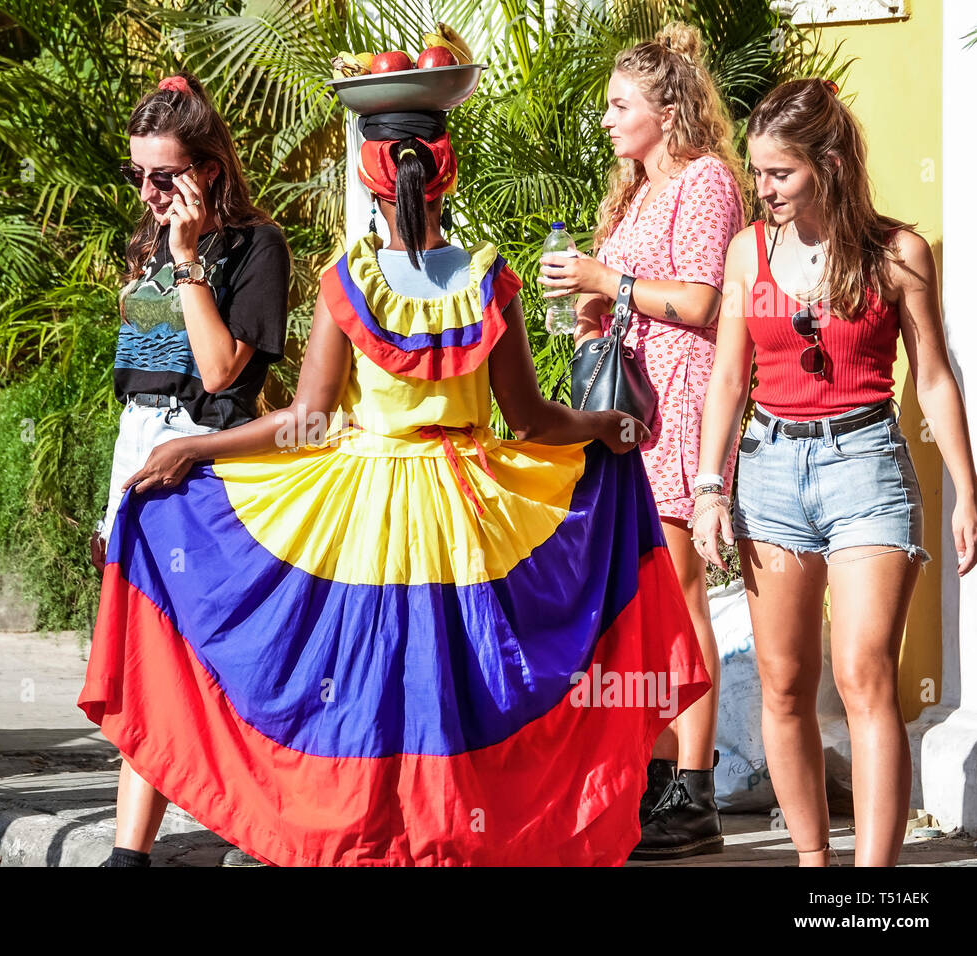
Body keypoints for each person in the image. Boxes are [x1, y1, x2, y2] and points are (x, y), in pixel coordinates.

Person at [79, 108, 711, 866]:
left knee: (366, 690)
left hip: (366, 516)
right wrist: (604, 427)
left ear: (369, 182)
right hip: (470, 518)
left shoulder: (348, 283)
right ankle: (455, 839)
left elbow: (304, 423)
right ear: (444, 178)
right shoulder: (491, 282)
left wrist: (196, 450)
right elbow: (534, 421)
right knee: (459, 687)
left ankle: (364, 840)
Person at [693, 78, 977, 866]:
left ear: (828, 163)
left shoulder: (898, 253)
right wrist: (710, 489)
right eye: (758, 173)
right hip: (770, 471)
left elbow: (932, 378)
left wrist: (966, 489)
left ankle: (871, 889)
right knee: (785, 685)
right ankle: (815, 869)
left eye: (779, 174)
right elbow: (727, 379)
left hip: (866, 469)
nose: (765, 190)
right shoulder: (749, 250)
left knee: (864, 676)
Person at [538, 22, 746, 858]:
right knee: (637, 602)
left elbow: (702, 304)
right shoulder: (629, 192)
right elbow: (627, 298)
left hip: (684, 402)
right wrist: (590, 313)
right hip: (622, 412)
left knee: (678, 592)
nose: (606, 120)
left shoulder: (705, 183)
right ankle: (654, 783)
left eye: (619, 105)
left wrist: (604, 280)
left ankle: (694, 793)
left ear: (667, 108)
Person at [90, 72, 289, 867]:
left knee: (211, 659)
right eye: (137, 173)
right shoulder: (142, 240)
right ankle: (128, 853)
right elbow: (137, 366)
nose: (147, 190)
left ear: (205, 169)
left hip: (203, 467)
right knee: (147, 661)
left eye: (163, 175)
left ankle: (256, 828)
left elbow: (217, 373)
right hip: (138, 453)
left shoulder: (255, 245)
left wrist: (186, 260)